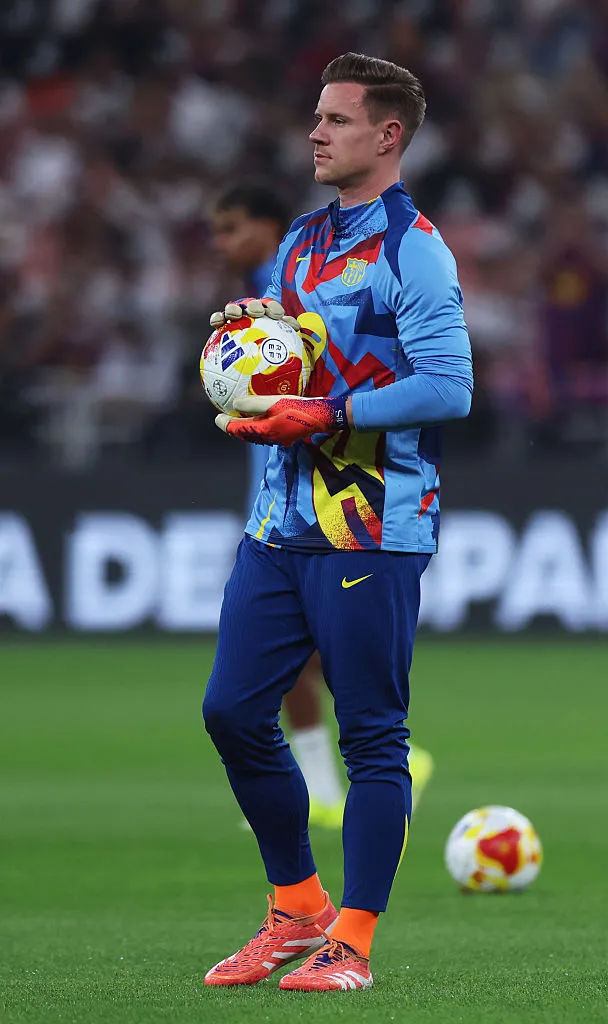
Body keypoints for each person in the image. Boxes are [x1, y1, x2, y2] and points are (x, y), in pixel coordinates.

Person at [202, 52, 473, 992]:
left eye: (336, 120)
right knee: (231, 711)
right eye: (316, 118)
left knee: (370, 738)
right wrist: (254, 340)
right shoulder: (303, 241)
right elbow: (295, 348)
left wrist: (328, 413)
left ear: (387, 135)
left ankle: (350, 943)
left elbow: (449, 385)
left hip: (372, 529)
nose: (315, 132)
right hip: (279, 520)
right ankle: (295, 909)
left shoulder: (416, 248)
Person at [211, 183, 345, 827]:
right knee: (310, 652)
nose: (222, 243)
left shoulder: (283, 292)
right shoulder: (260, 295)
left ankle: (322, 784)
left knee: (290, 651)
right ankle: (329, 779)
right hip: (279, 487)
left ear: (268, 226)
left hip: (303, 490)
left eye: (232, 227)